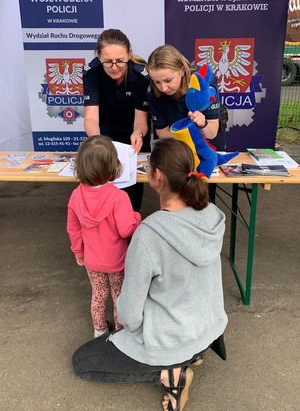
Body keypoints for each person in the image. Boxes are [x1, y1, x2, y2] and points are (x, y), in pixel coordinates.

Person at [72, 138, 228, 411]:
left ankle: (168, 373)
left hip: (171, 339)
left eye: (147, 166)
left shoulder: (149, 234)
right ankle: (191, 356)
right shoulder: (212, 214)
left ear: (157, 176)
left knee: (81, 362)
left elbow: (130, 316)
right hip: (209, 329)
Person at [67, 135, 141, 338]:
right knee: (118, 295)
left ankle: (99, 331)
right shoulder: (119, 197)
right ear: (113, 166)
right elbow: (126, 230)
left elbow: (73, 229)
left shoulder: (76, 196)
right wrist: (136, 217)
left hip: (92, 260)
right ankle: (119, 333)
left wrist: (78, 252)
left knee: (98, 296)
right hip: (117, 260)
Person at [147, 44, 227, 202]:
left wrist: (202, 123)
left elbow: (211, 132)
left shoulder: (203, 80)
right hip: (178, 151)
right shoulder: (152, 90)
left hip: (206, 147)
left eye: (168, 80)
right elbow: (163, 134)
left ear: (182, 70)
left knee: (202, 200)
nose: (163, 88)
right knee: (177, 201)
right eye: (157, 82)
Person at [83, 28, 150, 211]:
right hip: (104, 135)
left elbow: (141, 120)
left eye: (120, 61)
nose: (114, 67)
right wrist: (98, 141)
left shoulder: (140, 75)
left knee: (131, 198)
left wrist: (138, 133)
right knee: (101, 193)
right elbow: (90, 117)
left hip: (134, 138)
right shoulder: (92, 72)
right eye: (108, 62)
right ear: (99, 56)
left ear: (129, 54)